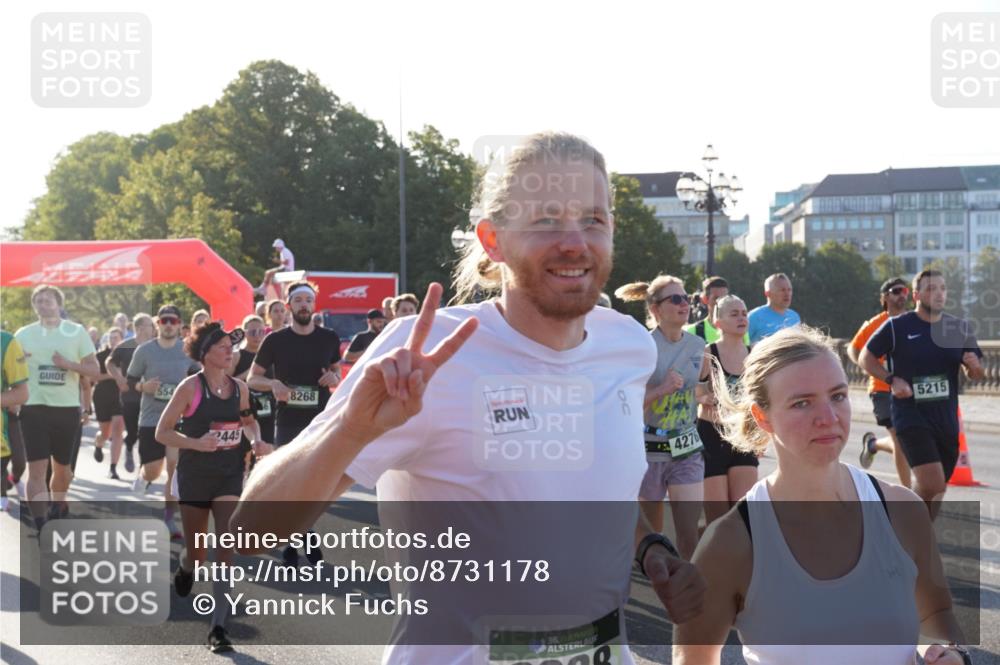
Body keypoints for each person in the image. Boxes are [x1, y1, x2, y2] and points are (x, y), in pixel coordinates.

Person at [233, 132, 705, 665]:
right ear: (492, 240)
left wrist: (651, 548)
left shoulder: (626, 347)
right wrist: (350, 433)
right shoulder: (426, 352)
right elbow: (250, 531)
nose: (574, 241)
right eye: (546, 219)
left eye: (593, 219)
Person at [673, 325, 969, 665]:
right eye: (802, 403)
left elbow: (936, 611)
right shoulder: (731, 542)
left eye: (838, 396)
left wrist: (951, 654)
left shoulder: (903, 510)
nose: (828, 418)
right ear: (762, 417)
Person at [155, 321, 269, 653]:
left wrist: (256, 440)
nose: (230, 351)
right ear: (206, 354)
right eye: (222, 347)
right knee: (199, 550)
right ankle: (187, 564)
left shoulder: (240, 388)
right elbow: (161, 432)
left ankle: (218, 626)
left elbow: (248, 422)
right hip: (195, 475)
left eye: (230, 347)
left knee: (226, 543)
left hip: (228, 473)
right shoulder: (190, 388)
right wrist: (194, 442)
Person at [860, 269, 984, 518]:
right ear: (916, 295)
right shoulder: (897, 326)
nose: (938, 293)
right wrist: (891, 379)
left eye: (942, 288)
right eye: (930, 288)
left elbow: (977, 374)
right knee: (932, 483)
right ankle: (911, 531)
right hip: (910, 415)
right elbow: (866, 357)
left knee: (937, 490)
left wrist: (974, 366)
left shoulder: (958, 328)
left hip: (945, 419)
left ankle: (914, 530)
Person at [248, 280, 342, 565]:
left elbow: (336, 371)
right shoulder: (275, 340)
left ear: (314, 305)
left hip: (319, 419)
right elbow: (253, 378)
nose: (304, 305)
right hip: (287, 419)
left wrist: (334, 378)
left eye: (308, 300)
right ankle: (301, 537)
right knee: (290, 479)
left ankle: (296, 534)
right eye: (298, 300)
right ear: (289, 306)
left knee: (313, 481)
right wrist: (273, 383)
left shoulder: (328, 338)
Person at [617, 274, 707, 560]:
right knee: (651, 541)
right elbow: (628, 406)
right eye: (676, 299)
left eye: (687, 299)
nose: (685, 305)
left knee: (689, 535)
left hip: (687, 448)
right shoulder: (642, 347)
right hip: (648, 451)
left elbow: (695, 390)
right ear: (656, 309)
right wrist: (662, 389)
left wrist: (708, 396)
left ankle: (691, 600)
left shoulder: (697, 345)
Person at [15, 285, 99, 528]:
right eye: (38, 300)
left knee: (63, 472)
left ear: (59, 304)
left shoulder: (76, 332)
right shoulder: (23, 334)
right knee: (37, 471)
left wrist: (68, 364)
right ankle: (41, 522)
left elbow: (93, 370)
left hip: (65, 410)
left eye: (48, 300)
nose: (43, 304)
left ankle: (57, 504)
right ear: (34, 305)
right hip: (33, 408)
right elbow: (10, 369)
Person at [126, 305, 201, 536]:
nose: (168, 325)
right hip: (150, 418)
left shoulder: (187, 350)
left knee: (174, 467)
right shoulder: (144, 351)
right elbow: (130, 381)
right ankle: (143, 477)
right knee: (153, 470)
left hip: (179, 420)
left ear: (180, 325)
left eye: (173, 321)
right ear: (158, 323)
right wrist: (143, 386)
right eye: (164, 320)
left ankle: (169, 519)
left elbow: (200, 376)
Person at [696, 295, 757, 526]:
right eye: (734, 314)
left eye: (744, 313)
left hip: (742, 437)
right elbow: (687, 389)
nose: (742, 318)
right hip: (711, 435)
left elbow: (761, 397)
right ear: (718, 322)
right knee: (718, 520)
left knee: (745, 514)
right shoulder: (707, 353)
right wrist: (703, 395)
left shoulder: (753, 356)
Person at [849, 277, 913, 487]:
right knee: (901, 443)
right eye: (896, 291)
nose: (902, 295)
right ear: (884, 297)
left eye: (904, 290)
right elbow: (853, 348)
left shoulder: (913, 321)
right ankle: (908, 494)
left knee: (905, 441)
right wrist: (866, 364)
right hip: (882, 389)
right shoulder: (875, 324)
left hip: (909, 389)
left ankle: (873, 444)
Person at [107, 313, 156, 474]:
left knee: (146, 432)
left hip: (150, 397)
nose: (154, 328)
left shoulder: (156, 346)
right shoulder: (126, 345)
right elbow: (110, 362)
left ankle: (144, 468)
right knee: (133, 431)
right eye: (150, 325)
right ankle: (129, 447)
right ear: (140, 328)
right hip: (130, 396)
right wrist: (119, 378)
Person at [90, 327, 126, 479]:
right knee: (105, 433)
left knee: (118, 430)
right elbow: (94, 377)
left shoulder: (127, 356)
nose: (113, 340)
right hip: (102, 396)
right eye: (111, 338)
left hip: (121, 396)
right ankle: (98, 444)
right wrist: (113, 375)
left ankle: (113, 468)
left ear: (122, 339)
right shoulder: (100, 356)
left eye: (116, 337)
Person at [1, 330, 30, 513]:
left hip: (9, 417)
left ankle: (15, 479)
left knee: (19, 460)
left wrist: (10, 400)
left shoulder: (7, 342)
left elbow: (21, 393)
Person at [747, 273, 800, 344]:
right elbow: (743, 342)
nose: (787, 294)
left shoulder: (794, 317)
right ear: (768, 293)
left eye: (789, 290)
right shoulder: (754, 317)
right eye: (782, 290)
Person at [683, 277, 729, 343]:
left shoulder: (739, 331)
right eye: (716, 298)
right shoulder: (692, 332)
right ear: (705, 299)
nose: (721, 302)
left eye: (725, 298)